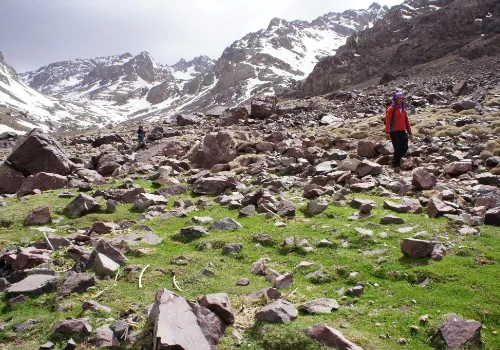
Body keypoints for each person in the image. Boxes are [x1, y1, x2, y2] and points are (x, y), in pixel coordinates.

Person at [385, 92, 413, 169]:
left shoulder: (403, 110)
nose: (401, 100)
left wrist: (410, 133)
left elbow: (407, 121)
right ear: (395, 99)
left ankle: (394, 159)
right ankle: (396, 164)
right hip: (394, 131)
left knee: (405, 148)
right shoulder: (391, 109)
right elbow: (388, 121)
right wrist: (387, 132)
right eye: (399, 99)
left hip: (403, 131)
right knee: (397, 148)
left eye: (402, 99)